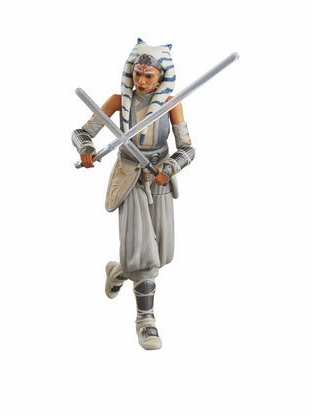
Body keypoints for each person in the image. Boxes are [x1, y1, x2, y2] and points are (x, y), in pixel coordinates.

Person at [72, 39, 195, 350]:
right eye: (137, 74)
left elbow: (188, 149)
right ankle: (146, 319)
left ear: (161, 77)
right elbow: (82, 132)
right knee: (142, 252)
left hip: (159, 177)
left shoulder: (171, 104)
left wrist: (170, 167)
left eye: (148, 76)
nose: (141, 81)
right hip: (129, 176)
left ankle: (118, 271)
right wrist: (86, 148)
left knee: (161, 253)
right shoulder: (118, 101)